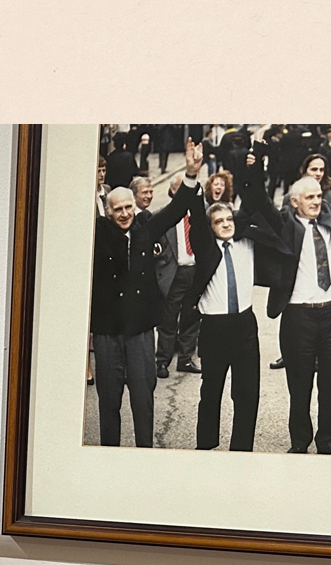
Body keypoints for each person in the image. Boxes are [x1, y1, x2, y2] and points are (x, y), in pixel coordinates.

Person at [90, 144, 205, 445]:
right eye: (118, 209)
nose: (125, 213)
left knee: (144, 403)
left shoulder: (145, 228)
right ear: (108, 211)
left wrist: (191, 173)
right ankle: (108, 458)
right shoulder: (99, 233)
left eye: (129, 207)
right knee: (109, 404)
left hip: (140, 333)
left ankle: (145, 454)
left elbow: (176, 210)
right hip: (107, 333)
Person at [249, 172, 331, 454]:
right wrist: (254, 163)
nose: (316, 202)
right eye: (309, 197)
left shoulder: (329, 220)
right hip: (298, 317)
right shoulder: (285, 225)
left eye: (318, 196)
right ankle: (300, 441)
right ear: (294, 202)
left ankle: (327, 441)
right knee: (299, 385)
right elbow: (260, 201)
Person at [174, 157, 275, 450]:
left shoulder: (247, 242)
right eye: (218, 222)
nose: (226, 225)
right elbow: (195, 213)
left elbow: (256, 204)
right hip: (215, 328)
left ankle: (241, 450)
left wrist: (254, 168)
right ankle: (206, 446)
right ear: (210, 227)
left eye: (229, 219)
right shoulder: (206, 248)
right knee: (212, 391)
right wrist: (192, 175)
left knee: (247, 394)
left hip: (245, 325)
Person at [154, 174, 204, 380]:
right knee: (168, 318)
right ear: (174, 191)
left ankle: (185, 358)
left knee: (192, 317)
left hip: (195, 271)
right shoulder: (163, 216)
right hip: (174, 273)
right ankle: (162, 360)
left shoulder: (200, 216)